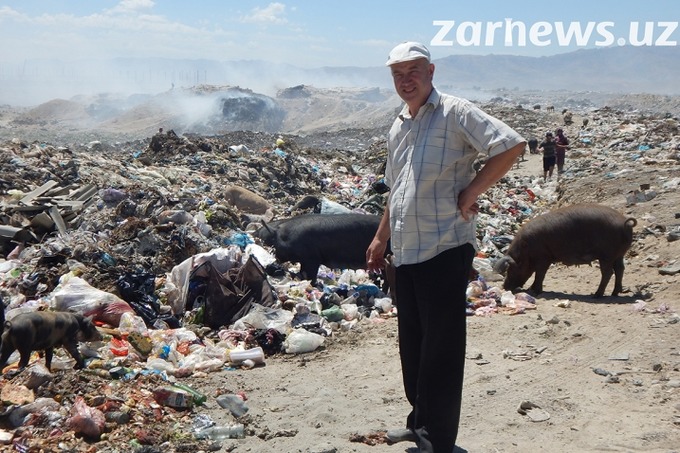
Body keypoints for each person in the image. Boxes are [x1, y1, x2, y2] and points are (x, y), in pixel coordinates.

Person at [365, 41, 525, 453]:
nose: (406, 80)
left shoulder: (455, 112)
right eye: (397, 74)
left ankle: (437, 441)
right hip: (408, 249)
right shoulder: (399, 124)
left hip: (444, 248)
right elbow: (396, 189)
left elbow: (510, 145)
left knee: (442, 349)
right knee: (414, 344)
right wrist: (381, 237)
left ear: (431, 72)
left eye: (413, 71)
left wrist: (472, 191)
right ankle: (418, 422)